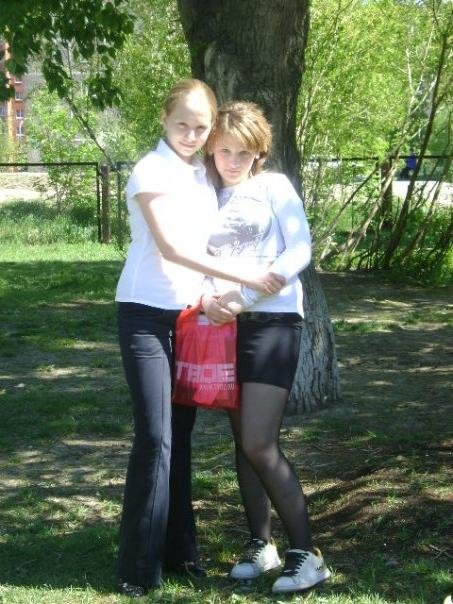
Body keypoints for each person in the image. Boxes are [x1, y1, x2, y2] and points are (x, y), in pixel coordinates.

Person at [114, 79, 284, 598]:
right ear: (164, 119)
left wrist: (213, 296)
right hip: (144, 315)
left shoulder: (202, 174)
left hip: (189, 317)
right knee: (156, 436)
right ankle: (136, 568)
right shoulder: (151, 170)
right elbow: (170, 248)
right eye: (182, 124)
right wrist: (249, 279)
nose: (191, 134)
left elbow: (212, 246)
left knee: (180, 437)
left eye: (201, 127)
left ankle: (180, 554)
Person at [201, 101, 331, 595]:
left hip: (273, 322)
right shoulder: (205, 194)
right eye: (225, 151)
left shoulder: (273, 187)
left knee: (259, 440)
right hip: (224, 326)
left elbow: (299, 249)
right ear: (212, 149)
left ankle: (307, 554)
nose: (233, 162)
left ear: (260, 153)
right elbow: (197, 257)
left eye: (245, 153)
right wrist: (208, 300)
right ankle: (262, 543)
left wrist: (244, 296)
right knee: (242, 439)